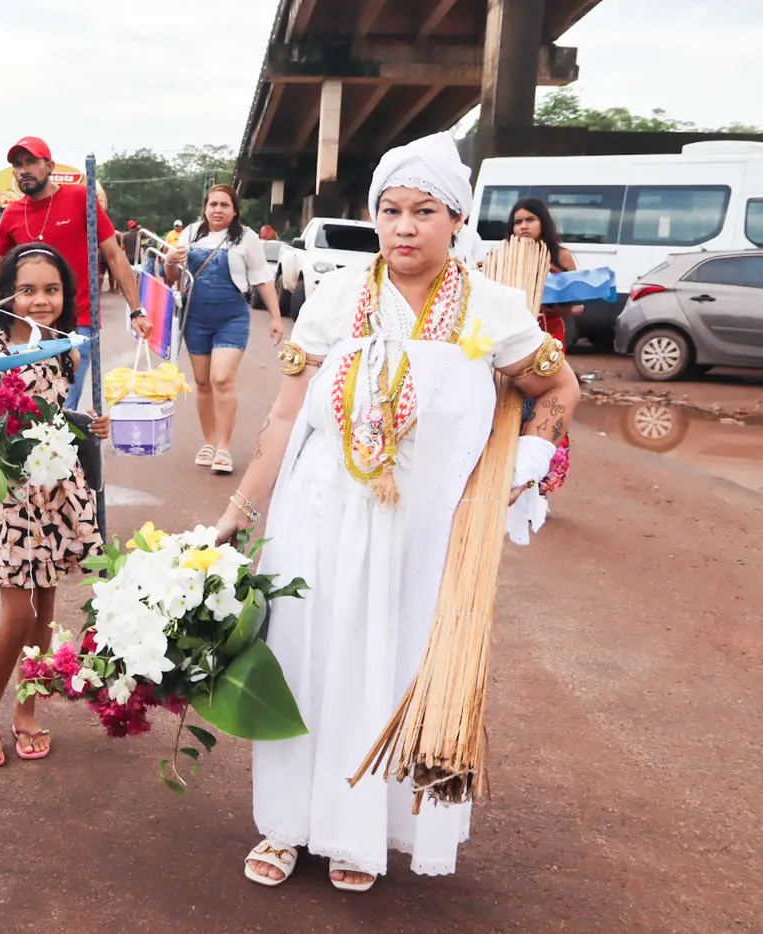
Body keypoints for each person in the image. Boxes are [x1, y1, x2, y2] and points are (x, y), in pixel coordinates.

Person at [214, 132, 579, 891]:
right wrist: (239, 509)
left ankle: (360, 837)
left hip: (423, 532)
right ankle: (287, 825)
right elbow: (285, 418)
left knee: (390, 670)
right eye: (390, 210)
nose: (404, 226)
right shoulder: (335, 298)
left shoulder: (492, 308)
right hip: (318, 520)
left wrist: (528, 461)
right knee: (305, 664)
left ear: (457, 219)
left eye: (423, 211)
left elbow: (558, 388)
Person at [0, 244, 108, 766]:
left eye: (52, 290)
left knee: (44, 611)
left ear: (66, 294)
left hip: (56, 492)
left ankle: (27, 710)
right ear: (8, 295)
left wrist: (88, 425)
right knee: (18, 614)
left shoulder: (67, 350)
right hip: (8, 496)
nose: (41, 300)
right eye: (28, 290)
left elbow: (58, 414)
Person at [0, 136, 151, 411]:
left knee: (61, 409)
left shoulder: (81, 198)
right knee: (26, 409)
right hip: (27, 328)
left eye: (31, 162)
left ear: (49, 166)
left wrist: (137, 311)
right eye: (18, 164)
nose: (23, 170)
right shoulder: (12, 214)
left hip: (78, 324)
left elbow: (114, 256)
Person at [164, 184, 282, 476]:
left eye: (224, 205)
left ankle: (224, 448)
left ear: (235, 210)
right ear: (205, 208)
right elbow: (172, 276)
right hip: (195, 318)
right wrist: (169, 261)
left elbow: (262, 278)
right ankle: (208, 442)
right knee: (202, 382)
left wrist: (277, 317)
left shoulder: (247, 237)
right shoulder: (191, 233)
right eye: (213, 204)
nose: (218, 210)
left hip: (232, 318)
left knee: (222, 379)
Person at [510, 197, 579, 493]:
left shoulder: (561, 256)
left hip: (548, 334)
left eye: (530, 220)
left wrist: (552, 305)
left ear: (543, 222)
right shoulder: (504, 255)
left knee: (547, 397)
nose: (523, 226)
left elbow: (577, 306)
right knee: (512, 400)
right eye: (517, 222)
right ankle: (510, 470)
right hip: (513, 337)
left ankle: (540, 478)